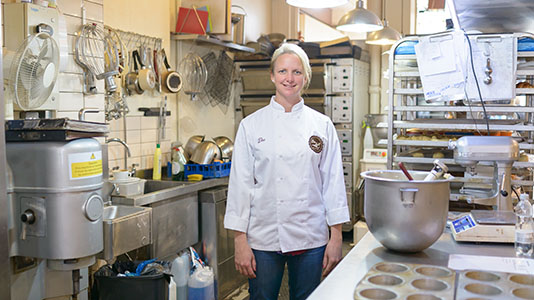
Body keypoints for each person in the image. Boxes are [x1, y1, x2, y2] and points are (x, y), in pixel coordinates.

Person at [224, 43, 349, 300]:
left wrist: (335, 236)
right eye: (282, 71)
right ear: (272, 76)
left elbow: (333, 183)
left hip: (311, 236)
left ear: (305, 78)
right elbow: (240, 185)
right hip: (263, 236)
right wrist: (239, 240)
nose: (289, 79)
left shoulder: (322, 125)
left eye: (296, 72)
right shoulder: (251, 125)